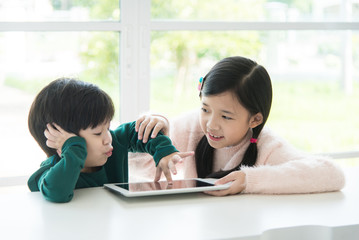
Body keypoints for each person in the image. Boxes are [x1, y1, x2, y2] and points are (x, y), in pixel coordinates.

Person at [132, 56, 345, 196]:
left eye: (226, 117)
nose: (211, 125)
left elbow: (332, 174)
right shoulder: (191, 128)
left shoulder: (267, 146)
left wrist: (249, 180)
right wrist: (153, 131)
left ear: (255, 120)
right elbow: (129, 159)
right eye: (205, 109)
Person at [27, 78, 193, 203]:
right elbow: (57, 193)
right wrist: (73, 148)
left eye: (107, 128)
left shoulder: (114, 142)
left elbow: (143, 132)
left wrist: (164, 151)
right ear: (60, 140)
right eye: (98, 133)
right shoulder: (50, 173)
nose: (108, 139)